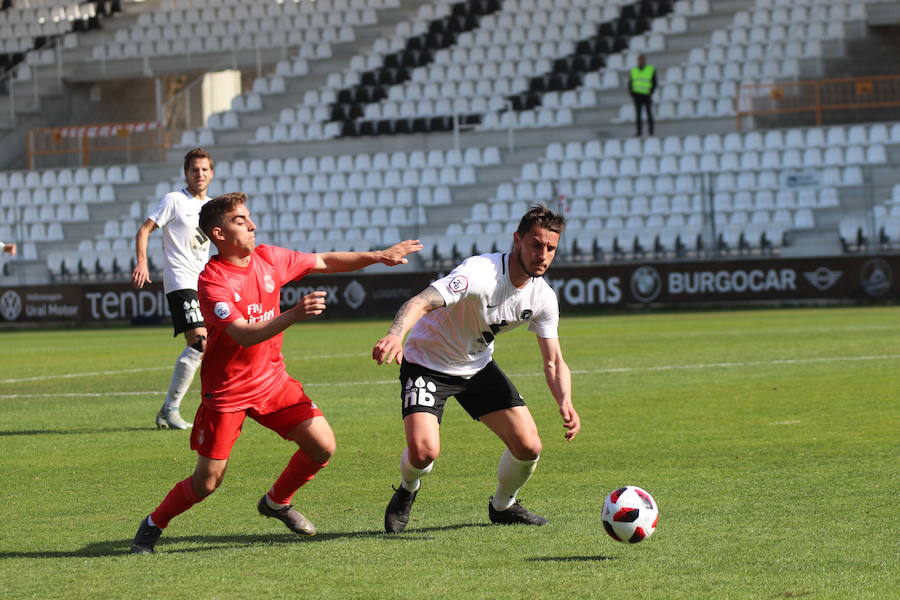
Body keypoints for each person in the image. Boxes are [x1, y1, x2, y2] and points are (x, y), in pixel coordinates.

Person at [130, 192, 422, 554]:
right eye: (240, 221)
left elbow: (324, 260)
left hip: (272, 382)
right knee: (207, 483)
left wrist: (379, 255)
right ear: (219, 234)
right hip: (227, 392)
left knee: (322, 446)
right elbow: (241, 334)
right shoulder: (212, 282)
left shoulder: (269, 258)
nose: (252, 225)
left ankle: (276, 501)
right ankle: (153, 523)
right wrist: (294, 314)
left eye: (249, 218)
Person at [372, 204, 581, 533]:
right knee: (424, 452)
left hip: (477, 367)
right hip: (427, 363)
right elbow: (420, 301)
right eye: (535, 245)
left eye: (550, 248)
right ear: (517, 240)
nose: (543, 254)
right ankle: (407, 489)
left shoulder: (543, 297)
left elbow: (554, 360)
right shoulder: (480, 273)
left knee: (529, 447)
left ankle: (503, 506)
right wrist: (395, 335)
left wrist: (565, 401)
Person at [132, 148, 215, 430]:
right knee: (199, 343)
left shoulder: (213, 208)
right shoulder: (174, 200)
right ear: (186, 173)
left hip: (204, 283)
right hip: (181, 281)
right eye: (194, 169)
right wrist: (143, 262)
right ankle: (171, 409)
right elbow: (144, 230)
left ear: (212, 173)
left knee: (209, 347)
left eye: (204, 169)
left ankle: (199, 406)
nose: (199, 174)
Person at [629, 54, 657, 137]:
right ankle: (639, 131)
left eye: (642, 60)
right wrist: (632, 93)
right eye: (639, 60)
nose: (640, 61)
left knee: (649, 113)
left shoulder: (650, 69)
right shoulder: (634, 70)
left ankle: (651, 131)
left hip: (646, 94)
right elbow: (631, 83)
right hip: (637, 95)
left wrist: (650, 91)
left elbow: (654, 82)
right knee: (638, 114)